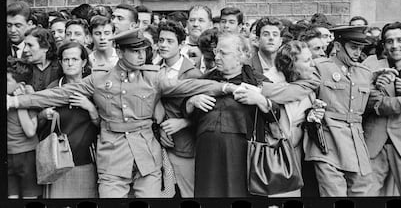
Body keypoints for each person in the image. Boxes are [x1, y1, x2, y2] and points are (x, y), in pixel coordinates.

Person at [8, 28, 242, 198]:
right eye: (134, 51)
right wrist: (16, 101)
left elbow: (191, 86)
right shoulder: (98, 79)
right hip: (112, 154)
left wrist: (226, 87)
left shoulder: (152, 77)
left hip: (146, 155)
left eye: (143, 50)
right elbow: (57, 95)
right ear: (120, 52)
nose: (141, 55)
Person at [186, 33, 277, 197]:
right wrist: (192, 101)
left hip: (243, 152)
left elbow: (276, 114)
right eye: (217, 52)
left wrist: (259, 100)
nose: (217, 57)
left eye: (224, 53)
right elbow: (186, 113)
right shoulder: (204, 80)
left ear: (241, 56)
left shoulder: (258, 82)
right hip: (208, 153)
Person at [303, 25, 375, 196]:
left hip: (356, 144)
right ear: (337, 46)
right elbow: (303, 96)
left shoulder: (365, 73)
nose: (358, 53)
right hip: (328, 143)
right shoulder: (320, 68)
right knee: (333, 194)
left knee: (362, 190)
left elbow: (375, 103)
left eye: (360, 48)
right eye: (353, 47)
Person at [37, 42, 99, 198]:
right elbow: (37, 125)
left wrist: (90, 107)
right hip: (57, 163)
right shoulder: (53, 88)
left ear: (84, 62)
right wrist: (44, 115)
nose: (70, 63)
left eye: (75, 59)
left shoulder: (94, 88)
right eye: (66, 60)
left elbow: (105, 125)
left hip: (85, 162)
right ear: (60, 62)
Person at [271, 41, 325, 197]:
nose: (312, 63)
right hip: (276, 153)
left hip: (300, 153)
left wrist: (312, 116)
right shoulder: (271, 82)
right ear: (291, 64)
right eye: (307, 60)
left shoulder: (308, 84)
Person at [156, 20, 202, 197]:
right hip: (159, 144)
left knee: (188, 193)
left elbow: (204, 113)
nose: (163, 45)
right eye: (161, 40)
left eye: (169, 41)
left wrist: (184, 122)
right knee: (164, 195)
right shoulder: (153, 69)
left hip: (184, 145)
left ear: (181, 44)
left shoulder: (193, 74)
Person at [363, 22, 401, 196]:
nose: (395, 46)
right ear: (383, 45)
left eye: (399, 40)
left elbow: (383, 104)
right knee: (367, 195)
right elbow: (372, 104)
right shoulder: (371, 66)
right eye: (390, 41)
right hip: (375, 143)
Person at [7, 57, 42, 199]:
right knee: (10, 198)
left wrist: (19, 103)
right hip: (8, 155)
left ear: (20, 85)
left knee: (30, 197)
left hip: (27, 155)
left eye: (8, 81)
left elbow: (30, 131)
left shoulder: (30, 100)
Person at [23, 27, 62, 91]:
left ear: (45, 47)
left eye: (30, 45)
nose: (25, 50)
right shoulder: (22, 68)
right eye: (25, 45)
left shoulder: (60, 68)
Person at [249, 17, 285, 83]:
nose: (271, 38)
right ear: (257, 40)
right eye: (266, 34)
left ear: (280, 41)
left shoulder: (286, 65)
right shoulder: (248, 67)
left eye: (275, 35)